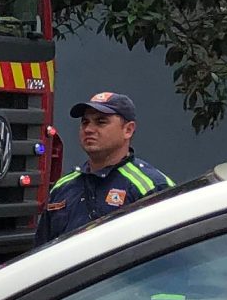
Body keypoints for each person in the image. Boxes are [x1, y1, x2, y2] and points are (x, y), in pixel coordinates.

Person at [35, 90, 173, 244]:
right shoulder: (62, 188)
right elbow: (40, 253)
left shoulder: (151, 186)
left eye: (101, 122)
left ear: (128, 130)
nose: (88, 129)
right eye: (85, 122)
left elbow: (169, 254)